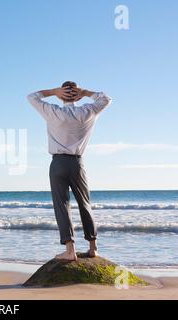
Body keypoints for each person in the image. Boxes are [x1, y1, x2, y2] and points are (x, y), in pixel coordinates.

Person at [27, 81, 112, 261]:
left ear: (61, 95)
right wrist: (86, 92)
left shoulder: (53, 111)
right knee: (85, 203)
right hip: (77, 162)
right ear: (77, 95)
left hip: (58, 163)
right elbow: (106, 99)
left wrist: (52, 91)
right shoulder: (87, 111)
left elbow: (31, 97)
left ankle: (70, 250)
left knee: (62, 205)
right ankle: (93, 247)